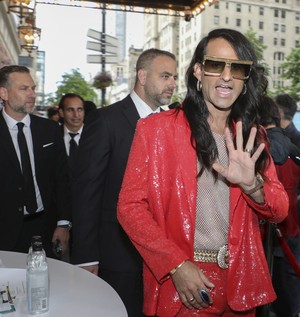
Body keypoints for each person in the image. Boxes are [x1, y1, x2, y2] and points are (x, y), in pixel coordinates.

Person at [117, 28, 288, 317]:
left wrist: (253, 186)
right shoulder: (156, 131)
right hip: (184, 283)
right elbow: (129, 207)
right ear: (198, 70)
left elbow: (280, 210)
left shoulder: (252, 137)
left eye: (238, 68)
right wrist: (176, 265)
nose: (226, 76)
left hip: (241, 283)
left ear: (246, 78)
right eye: (215, 64)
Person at [70, 48, 178, 317]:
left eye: (174, 77)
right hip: (118, 255)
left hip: (164, 255)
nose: (173, 84)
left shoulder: (172, 124)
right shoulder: (106, 121)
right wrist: (86, 256)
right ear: (142, 76)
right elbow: (86, 192)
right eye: (165, 76)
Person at [0, 65, 71, 258]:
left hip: (45, 229)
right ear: (4, 93)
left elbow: (61, 179)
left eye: (33, 88)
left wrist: (64, 223)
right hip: (4, 231)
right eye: (23, 89)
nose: (32, 94)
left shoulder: (50, 130)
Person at [259, 96, 300, 317]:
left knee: (275, 279)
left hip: (271, 225)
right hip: (290, 221)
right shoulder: (293, 144)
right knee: (289, 277)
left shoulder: (262, 148)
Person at [58, 93, 85, 165]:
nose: (76, 114)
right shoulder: (52, 136)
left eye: (80, 109)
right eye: (70, 110)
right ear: (61, 113)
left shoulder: (95, 135)